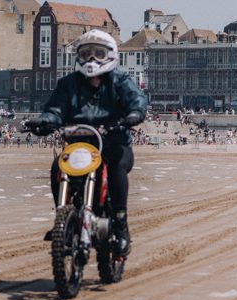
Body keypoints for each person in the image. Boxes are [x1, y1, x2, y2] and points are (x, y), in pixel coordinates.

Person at [25, 29, 148, 256]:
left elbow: (137, 101)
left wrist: (133, 115)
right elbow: (55, 110)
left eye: (98, 54)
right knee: (57, 168)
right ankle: (62, 217)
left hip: (113, 143)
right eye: (86, 53)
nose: (92, 59)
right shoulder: (68, 84)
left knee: (116, 170)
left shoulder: (120, 81)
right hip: (78, 144)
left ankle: (121, 225)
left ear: (110, 55)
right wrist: (44, 121)